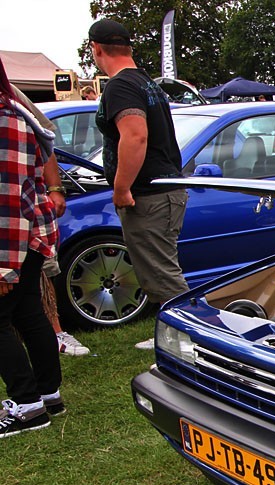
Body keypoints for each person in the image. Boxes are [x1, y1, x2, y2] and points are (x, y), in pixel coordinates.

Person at [90, 18, 188, 350]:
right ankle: (169, 335)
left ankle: (186, 344)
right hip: (163, 192)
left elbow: (135, 136)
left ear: (96, 49)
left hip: (149, 195)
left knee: (164, 277)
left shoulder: (120, 86)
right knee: (159, 272)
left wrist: (121, 188)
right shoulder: (146, 82)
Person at [1, 57, 64, 437]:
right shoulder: (16, 109)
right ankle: (47, 394)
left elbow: (6, 197)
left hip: (14, 234)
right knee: (27, 310)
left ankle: (27, 406)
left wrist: (2, 265)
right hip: (30, 230)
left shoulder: (5, 117)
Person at [10, 84, 90, 356]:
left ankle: (56, 332)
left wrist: (55, 188)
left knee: (39, 277)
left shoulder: (10, 95)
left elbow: (45, 142)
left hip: (21, 210)